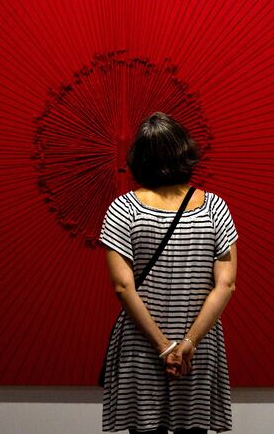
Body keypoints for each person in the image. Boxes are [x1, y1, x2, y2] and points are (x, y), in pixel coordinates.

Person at [99, 112, 237, 434]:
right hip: (199, 344)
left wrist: (163, 346)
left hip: (141, 342)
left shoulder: (123, 208)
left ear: (139, 158)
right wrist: (187, 342)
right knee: (194, 428)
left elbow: (123, 286)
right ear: (184, 152)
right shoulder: (215, 207)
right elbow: (226, 285)